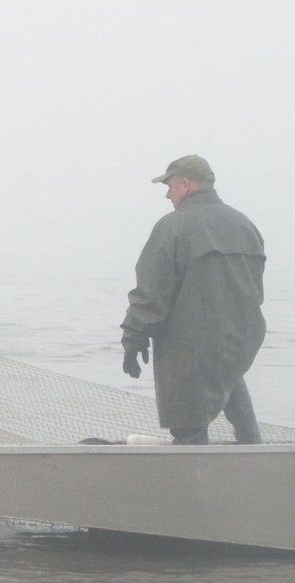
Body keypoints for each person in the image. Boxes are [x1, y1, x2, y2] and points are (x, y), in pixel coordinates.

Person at [120, 154, 266, 444]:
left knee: (189, 430)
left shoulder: (173, 227)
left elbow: (151, 293)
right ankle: (258, 464)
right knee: (233, 394)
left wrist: (133, 338)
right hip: (241, 342)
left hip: (191, 347)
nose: (167, 194)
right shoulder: (245, 225)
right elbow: (255, 290)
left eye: (170, 186)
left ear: (185, 184)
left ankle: (194, 483)